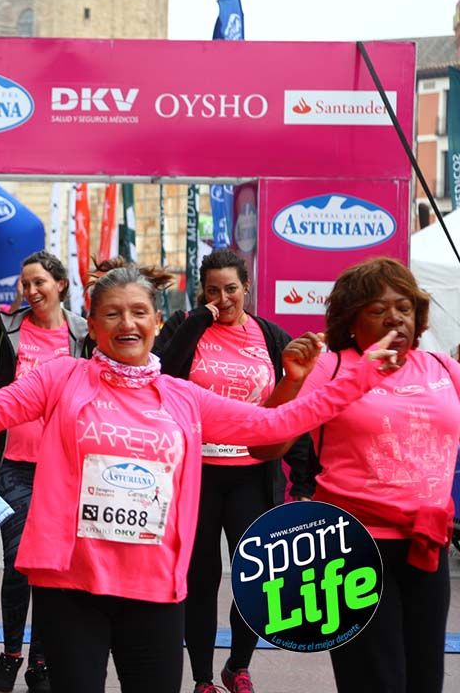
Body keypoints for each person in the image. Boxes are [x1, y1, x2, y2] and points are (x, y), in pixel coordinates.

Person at [0, 265, 401, 693]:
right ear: (92, 323)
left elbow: (279, 423)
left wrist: (355, 375)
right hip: (72, 586)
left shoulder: (183, 397)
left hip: (154, 589)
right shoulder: (61, 379)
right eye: (113, 312)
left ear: (156, 322)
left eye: (139, 312)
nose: (128, 322)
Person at [251, 257, 460, 693]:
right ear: (351, 319)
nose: (394, 318)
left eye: (404, 307)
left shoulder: (442, 368)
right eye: (378, 309)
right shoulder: (330, 367)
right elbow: (264, 445)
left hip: (427, 545)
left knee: (425, 681)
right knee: (375, 681)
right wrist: (291, 381)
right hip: (352, 547)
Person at [154, 249, 310, 693]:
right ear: (202, 292)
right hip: (198, 474)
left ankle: (238, 666)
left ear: (247, 288)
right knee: (200, 579)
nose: (222, 298)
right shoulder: (189, 327)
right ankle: (203, 677)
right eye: (212, 290)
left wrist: (301, 480)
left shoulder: (270, 335)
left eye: (231, 289)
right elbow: (161, 372)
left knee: (255, 578)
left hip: (253, 474)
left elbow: (292, 408)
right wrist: (198, 320)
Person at [0, 250, 89, 693]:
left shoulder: (83, 333)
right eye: (25, 284)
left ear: (60, 285)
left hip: (67, 467)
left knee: (52, 568)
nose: (31, 291)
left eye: (39, 283)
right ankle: (12, 652)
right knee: (18, 565)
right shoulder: (8, 329)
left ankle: (41, 662)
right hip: (14, 466)